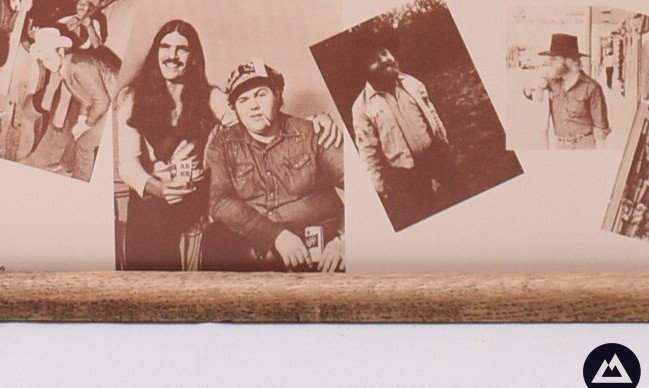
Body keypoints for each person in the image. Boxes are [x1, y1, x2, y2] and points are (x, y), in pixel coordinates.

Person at [202, 59, 346, 272]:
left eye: (261, 94)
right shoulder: (222, 144)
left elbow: (363, 188)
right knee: (215, 236)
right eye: (243, 100)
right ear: (234, 109)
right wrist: (275, 235)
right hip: (262, 246)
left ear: (278, 95)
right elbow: (218, 201)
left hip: (323, 246)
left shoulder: (313, 132)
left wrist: (345, 240)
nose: (253, 106)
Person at [115, 20, 217, 270]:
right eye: (165, 47)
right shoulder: (132, 97)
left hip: (195, 201)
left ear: (193, 57)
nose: (172, 56)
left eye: (182, 49)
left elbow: (248, 122)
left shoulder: (211, 96)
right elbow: (127, 164)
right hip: (151, 202)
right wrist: (159, 188)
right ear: (156, 52)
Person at [352, 46, 449, 226]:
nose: (386, 61)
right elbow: (367, 149)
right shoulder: (362, 107)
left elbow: (430, 111)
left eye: (386, 54)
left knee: (459, 192)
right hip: (407, 170)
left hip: (435, 153)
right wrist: (377, 185)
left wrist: (442, 138)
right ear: (366, 72)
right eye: (376, 61)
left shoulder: (411, 83)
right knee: (428, 213)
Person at [27, 27, 119, 181]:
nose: (47, 65)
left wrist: (88, 123)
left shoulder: (78, 66)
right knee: (75, 131)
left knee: (85, 143)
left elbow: (102, 101)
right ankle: (66, 166)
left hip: (116, 106)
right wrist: (82, 119)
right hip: (103, 103)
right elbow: (86, 98)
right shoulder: (66, 67)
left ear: (61, 51)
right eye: (44, 60)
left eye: (49, 58)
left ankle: (79, 180)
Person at [529, 32, 609, 150]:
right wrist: (535, 85)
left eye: (554, 59)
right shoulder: (552, 82)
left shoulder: (592, 87)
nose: (549, 62)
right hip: (560, 147)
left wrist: (599, 155)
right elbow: (528, 92)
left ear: (569, 61)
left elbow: (601, 128)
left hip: (584, 147)